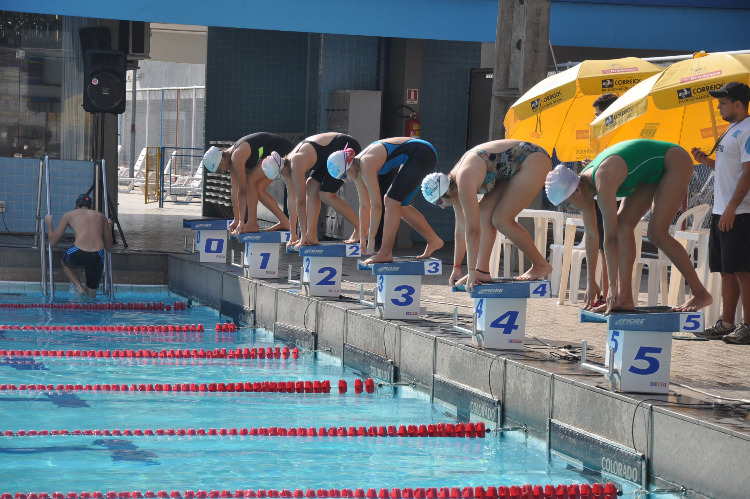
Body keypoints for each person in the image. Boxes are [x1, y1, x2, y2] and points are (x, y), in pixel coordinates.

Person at [545, 139, 713, 314]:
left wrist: (611, 287)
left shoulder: (603, 179)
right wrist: (590, 281)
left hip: (674, 161)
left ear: (576, 190)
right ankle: (625, 298)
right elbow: (592, 236)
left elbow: (610, 240)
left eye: (568, 205)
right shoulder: (584, 187)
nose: (570, 209)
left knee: (657, 234)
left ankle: (700, 293)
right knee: (622, 226)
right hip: (650, 173)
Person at [420, 140, 553, 290]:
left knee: (501, 220)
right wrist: (457, 266)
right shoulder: (453, 184)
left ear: (447, 190)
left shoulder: (464, 179)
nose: (443, 207)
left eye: (439, 202)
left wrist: (470, 271)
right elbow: (461, 230)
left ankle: (540, 264)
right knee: (484, 213)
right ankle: (482, 271)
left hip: (532, 159)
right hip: (508, 169)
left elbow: (473, 230)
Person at [690, 82, 750, 343]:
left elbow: (749, 173)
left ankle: (748, 325)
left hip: (739, 211)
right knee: (727, 269)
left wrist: (732, 208)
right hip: (723, 210)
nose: (718, 107)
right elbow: (731, 170)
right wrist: (707, 161)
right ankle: (727, 322)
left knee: (744, 270)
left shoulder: (748, 130)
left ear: (738, 104)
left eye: (723, 103)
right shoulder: (731, 130)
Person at [326, 137, 444, 263]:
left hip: (422, 153)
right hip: (416, 155)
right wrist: (362, 236)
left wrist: (372, 238)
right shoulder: (357, 167)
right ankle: (434, 240)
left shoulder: (366, 164)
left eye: (343, 176)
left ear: (348, 167)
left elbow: (376, 205)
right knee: (400, 206)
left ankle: (385, 252)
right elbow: (364, 205)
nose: (345, 180)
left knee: (390, 201)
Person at [262, 132, 361, 247]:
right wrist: (293, 234)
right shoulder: (286, 165)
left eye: (278, 178)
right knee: (311, 184)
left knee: (326, 194)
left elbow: (301, 202)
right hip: (328, 152)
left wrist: (302, 236)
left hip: (344, 145)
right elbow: (292, 201)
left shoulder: (296, 164)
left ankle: (360, 228)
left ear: (280, 172)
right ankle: (312, 235)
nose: (282, 179)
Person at [202, 133, 294, 235]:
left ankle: (252, 224)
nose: (222, 171)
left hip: (282, 150)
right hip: (274, 153)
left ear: (221, 160)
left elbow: (242, 190)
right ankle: (285, 222)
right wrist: (236, 219)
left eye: (219, 169)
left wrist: (242, 220)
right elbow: (235, 190)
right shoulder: (231, 159)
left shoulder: (236, 156)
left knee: (250, 181)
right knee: (258, 189)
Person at [44, 194, 114, 298]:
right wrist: (110, 225)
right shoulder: (101, 216)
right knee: (91, 295)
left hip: (79, 251)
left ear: (77, 206)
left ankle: (79, 287)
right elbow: (108, 246)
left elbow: (53, 242)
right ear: (90, 207)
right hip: (97, 254)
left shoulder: (69, 215)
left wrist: (49, 223)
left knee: (65, 262)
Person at [587, 93, 620, 307]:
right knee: (603, 248)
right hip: (604, 194)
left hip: (616, 196)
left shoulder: (620, 135)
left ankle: (611, 294)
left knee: (610, 246)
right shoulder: (606, 138)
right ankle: (606, 293)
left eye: (599, 114)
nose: (596, 119)